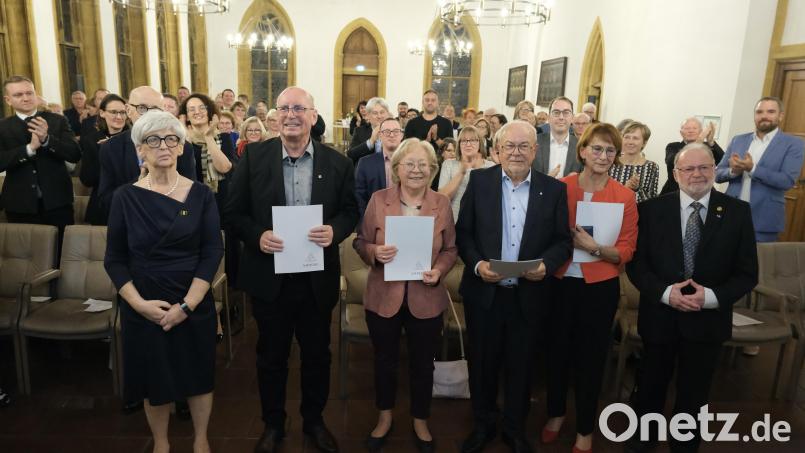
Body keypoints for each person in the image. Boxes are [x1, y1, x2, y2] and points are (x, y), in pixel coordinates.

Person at [224, 87, 359, 453]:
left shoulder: (339, 163)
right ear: (275, 117)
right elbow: (232, 212)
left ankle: (314, 421)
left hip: (317, 279)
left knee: (318, 355)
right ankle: (273, 424)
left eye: (299, 108)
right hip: (270, 279)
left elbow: (350, 211)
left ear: (313, 116)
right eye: (284, 108)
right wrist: (258, 236)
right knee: (271, 356)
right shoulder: (254, 158)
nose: (291, 115)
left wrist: (336, 230)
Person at [625, 143, 758, 453]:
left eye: (704, 167)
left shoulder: (738, 213)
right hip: (659, 318)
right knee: (650, 389)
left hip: (707, 322)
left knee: (694, 394)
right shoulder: (651, 211)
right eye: (689, 168)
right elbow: (637, 265)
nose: (697, 174)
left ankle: (685, 446)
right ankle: (643, 442)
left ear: (715, 170)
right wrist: (666, 292)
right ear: (676, 173)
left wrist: (710, 297)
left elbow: (747, 273)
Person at [104, 110, 224, 453]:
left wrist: (189, 304)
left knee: (199, 374)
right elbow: (114, 259)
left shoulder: (201, 194)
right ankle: (161, 443)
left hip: (192, 299)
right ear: (140, 149)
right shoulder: (124, 197)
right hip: (143, 303)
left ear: (182, 147)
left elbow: (212, 250)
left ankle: (201, 440)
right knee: (152, 377)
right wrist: (139, 304)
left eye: (172, 138)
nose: (164, 146)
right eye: (153, 140)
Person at [456, 121, 572, 453]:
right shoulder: (479, 182)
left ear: (536, 151)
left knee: (522, 366)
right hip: (485, 294)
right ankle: (482, 425)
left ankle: (514, 428)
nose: (517, 152)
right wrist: (478, 265)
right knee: (482, 365)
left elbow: (562, 241)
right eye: (510, 146)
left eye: (524, 146)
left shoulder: (554, 190)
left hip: (529, 295)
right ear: (497, 150)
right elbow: (464, 233)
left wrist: (546, 266)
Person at [354, 138, 457, 453]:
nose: (416, 170)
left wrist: (439, 270)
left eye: (423, 165)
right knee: (384, 362)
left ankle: (420, 419)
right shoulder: (378, 200)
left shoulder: (441, 203)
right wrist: (374, 252)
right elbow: (360, 242)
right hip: (384, 295)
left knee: (423, 364)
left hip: (426, 297)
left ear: (432, 169)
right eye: (409, 164)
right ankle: (384, 417)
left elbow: (451, 249)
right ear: (397, 168)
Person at [542, 123, 638, 453]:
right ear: (582, 151)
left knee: (592, 358)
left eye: (610, 150)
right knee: (556, 353)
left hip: (599, 288)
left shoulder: (624, 196)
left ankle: (585, 428)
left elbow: (626, 250)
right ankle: (555, 414)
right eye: (596, 148)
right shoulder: (561, 188)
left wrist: (595, 247)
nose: (603, 155)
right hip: (559, 284)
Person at [97, 86, 196, 225]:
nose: (149, 115)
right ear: (128, 110)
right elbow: (105, 202)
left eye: (155, 109)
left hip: (172, 227)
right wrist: (140, 183)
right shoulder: (111, 148)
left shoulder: (181, 147)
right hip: (129, 227)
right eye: (142, 108)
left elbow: (191, 198)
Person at [0, 75, 81, 241]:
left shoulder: (57, 120)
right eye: (18, 95)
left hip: (58, 202)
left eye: (29, 93)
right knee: (24, 259)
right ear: (8, 100)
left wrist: (47, 140)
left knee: (62, 253)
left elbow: (74, 154)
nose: (26, 98)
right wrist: (29, 149)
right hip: (19, 204)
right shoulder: (3, 127)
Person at [716, 96, 804, 243]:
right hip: (730, 214)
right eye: (759, 112)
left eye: (770, 112)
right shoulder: (738, 140)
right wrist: (733, 171)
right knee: (724, 263)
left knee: (760, 264)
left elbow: (786, 181)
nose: (764, 116)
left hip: (764, 220)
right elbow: (718, 174)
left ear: (780, 116)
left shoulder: (794, 144)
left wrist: (753, 169)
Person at [79, 93, 130, 225]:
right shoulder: (91, 140)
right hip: (103, 204)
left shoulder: (135, 138)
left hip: (131, 201)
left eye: (123, 112)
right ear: (102, 113)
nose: (119, 117)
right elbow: (87, 180)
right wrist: (105, 153)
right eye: (113, 112)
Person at [438, 125, 495, 221]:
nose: (468, 144)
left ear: (479, 143)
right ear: (459, 144)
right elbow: (442, 198)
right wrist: (461, 172)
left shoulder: (490, 166)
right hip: (454, 221)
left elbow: (493, 199)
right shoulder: (449, 164)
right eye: (464, 141)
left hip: (482, 222)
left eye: (472, 140)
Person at [659, 117, 724, 195]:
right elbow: (671, 162)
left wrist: (711, 141)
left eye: (694, 128)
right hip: (675, 191)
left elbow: (723, 162)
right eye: (687, 128)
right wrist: (699, 141)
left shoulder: (707, 147)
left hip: (703, 190)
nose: (691, 131)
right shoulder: (673, 146)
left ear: (700, 131)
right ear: (681, 133)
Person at [355, 117, 402, 219]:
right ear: (380, 135)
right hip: (374, 220)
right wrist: (367, 222)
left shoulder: (411, 163)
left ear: (402, 135)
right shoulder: (365, 163)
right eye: (387, 131)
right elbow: (359, 198)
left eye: (396, 131)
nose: (392, 135)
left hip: (404, 220)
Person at [609, 121, 660, 203]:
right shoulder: (611, 162)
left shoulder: (651, 167)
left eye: (635, 138)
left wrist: (636, 189)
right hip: (609, 211)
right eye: (627, 137)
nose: (630, 142)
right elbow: (602, 193)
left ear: (644, 143)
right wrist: (625, 188)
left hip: (639, 214)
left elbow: (651, 200)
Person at [533, 96, 583, 177]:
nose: (561, 117)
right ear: (548, 118)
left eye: (566, 112)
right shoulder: (534, 142)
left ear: (572, 118)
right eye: (556, 112)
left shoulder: (581, 146)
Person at [347, 97, 391, 164]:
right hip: (366, 171)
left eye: (382, 112)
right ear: (368, 116)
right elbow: (351, 154)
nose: (379, 116)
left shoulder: (395, 131)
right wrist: (371, 142)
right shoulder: (359, 131)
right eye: (375, 113)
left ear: (387, 114)